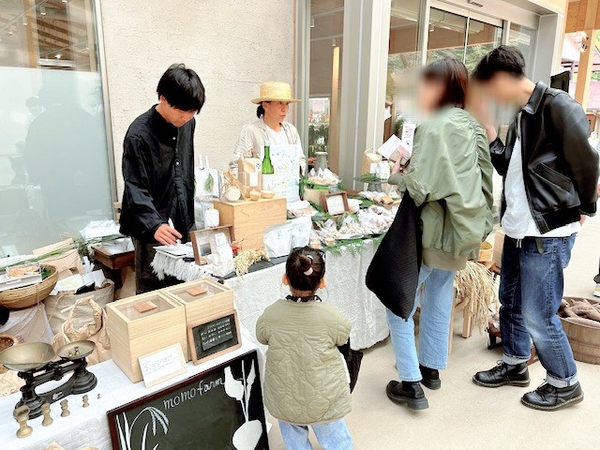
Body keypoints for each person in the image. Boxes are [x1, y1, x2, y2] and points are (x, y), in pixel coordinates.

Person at [471, 46, 599, 411]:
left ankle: (565, 382)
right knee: (510, 301)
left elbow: (588, 163)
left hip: (547, 230)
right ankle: (515, 363)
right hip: (518, 227)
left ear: (501, 78)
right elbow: (507, 166)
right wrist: (489, 128)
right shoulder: (522, 115)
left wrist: (584, 208)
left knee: (538, 313)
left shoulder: (558, 106)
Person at [385, 58, 494, 410]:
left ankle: (411, 383)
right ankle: (431, 369)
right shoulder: (474, 126)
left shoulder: (431, 126)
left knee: (397, 301)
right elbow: (485, 183)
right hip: (461, 233)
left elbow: (419, 188)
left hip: (431, 232)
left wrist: (396, 174)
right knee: (439, 296)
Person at [119, 64, 205, 294]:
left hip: (182, 216)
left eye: (192, 111)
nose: (186, 117)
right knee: (153, 288)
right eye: (182, 111)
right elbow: (134, 186)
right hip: (151, 224)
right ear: (163, 99)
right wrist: (154, 224)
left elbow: (185, 169)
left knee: (186, 284)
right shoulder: (139, 134)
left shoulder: (188, 123)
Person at [256, 247, 353, 450]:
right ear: (322, 283)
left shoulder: (271, 315)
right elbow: (343, 337)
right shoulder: (331, 316)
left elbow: (261, 337)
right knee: (335, 438)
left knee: (294, 438)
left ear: (285, 279)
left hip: (285, 395)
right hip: (324, 396)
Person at [231, 81, 305, 174]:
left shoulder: (291, 130)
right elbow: (236, 165)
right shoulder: (251, 131)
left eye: (287, 104)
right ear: (265, 105)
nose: (285, 109)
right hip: (260, 183)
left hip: (289, 183)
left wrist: (294, 169)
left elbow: (301, 159)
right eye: (280, 103)